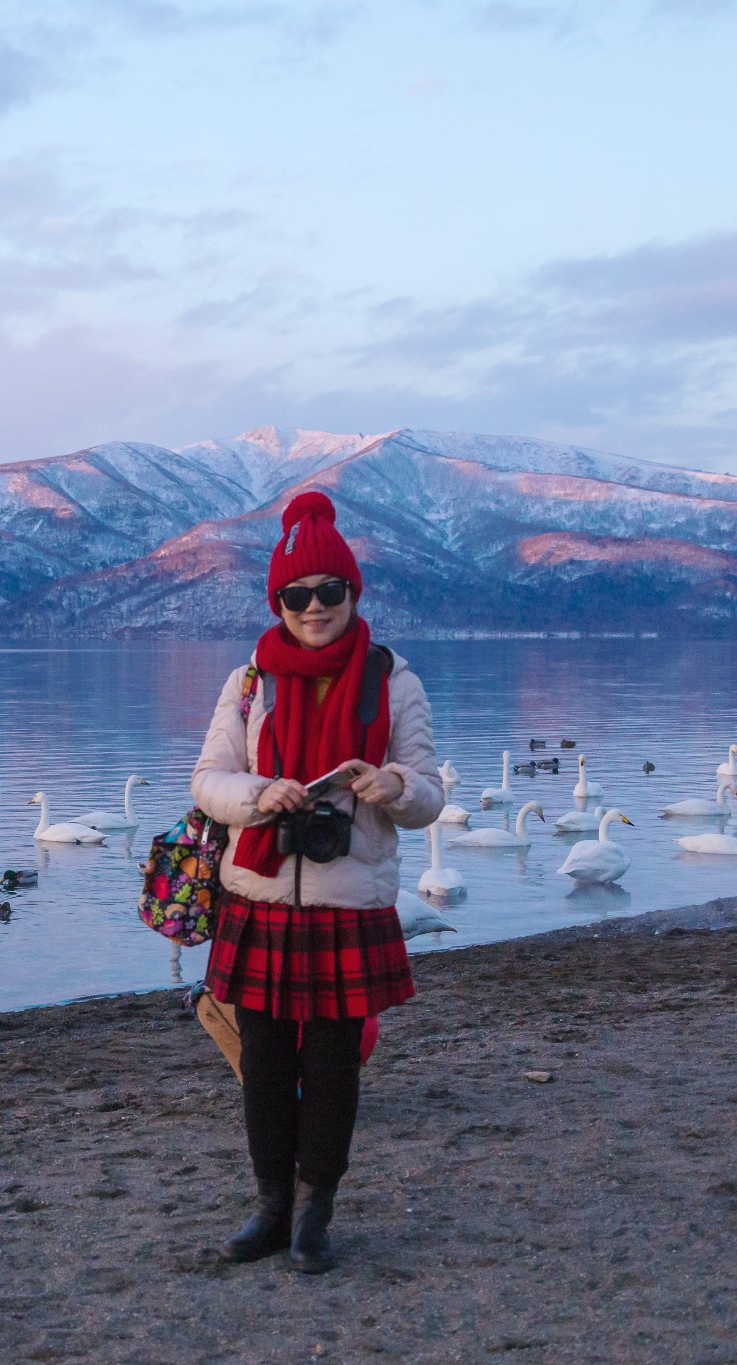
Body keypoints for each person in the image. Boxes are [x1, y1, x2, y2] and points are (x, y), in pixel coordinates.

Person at [191, 489, 443, 1274]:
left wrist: (394, 784)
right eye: (296, 595)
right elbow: (208, 780)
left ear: (352, 591)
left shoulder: (393, 680)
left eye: (328, 591)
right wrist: (260, 793)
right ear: (278, 601)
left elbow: (431, 795)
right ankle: (269, 1203)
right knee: (264, 1065)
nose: (313, 607)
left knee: (333, 1069)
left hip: (348, 901)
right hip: (260, 897)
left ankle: (314, 1212)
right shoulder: (248, 682)